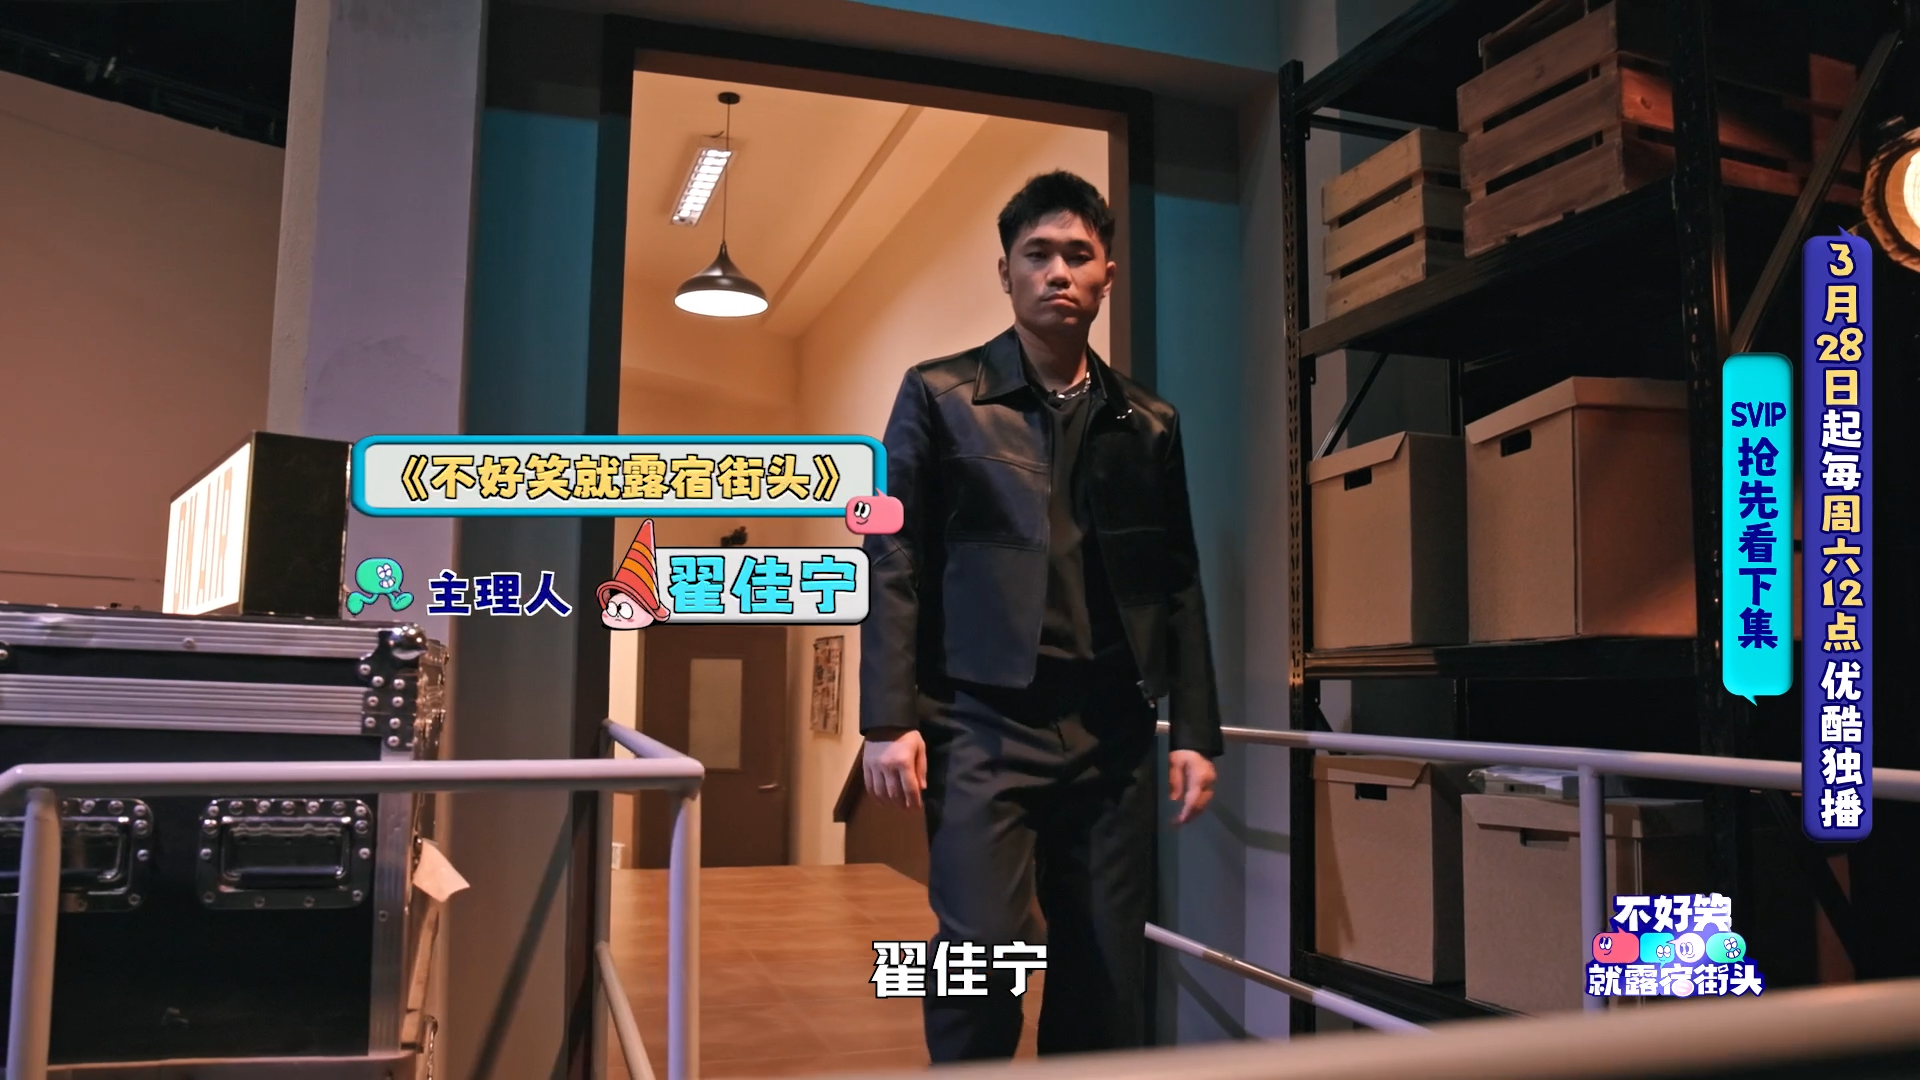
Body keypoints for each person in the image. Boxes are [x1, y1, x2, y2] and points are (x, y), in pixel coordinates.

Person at [859, 170, 1223, 1061]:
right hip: (980, 721)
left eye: (1078, 255)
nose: (1058, 272)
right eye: (1037, 255)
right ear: (1006, 272)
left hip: (1112, 729)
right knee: (982, 952)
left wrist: (1194, 732)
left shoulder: (1149, 422)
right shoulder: (939, 396)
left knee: (1105, 968)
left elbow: (1177, 578)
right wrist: (888, 720)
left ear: (1106, 276)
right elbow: (892, 557)